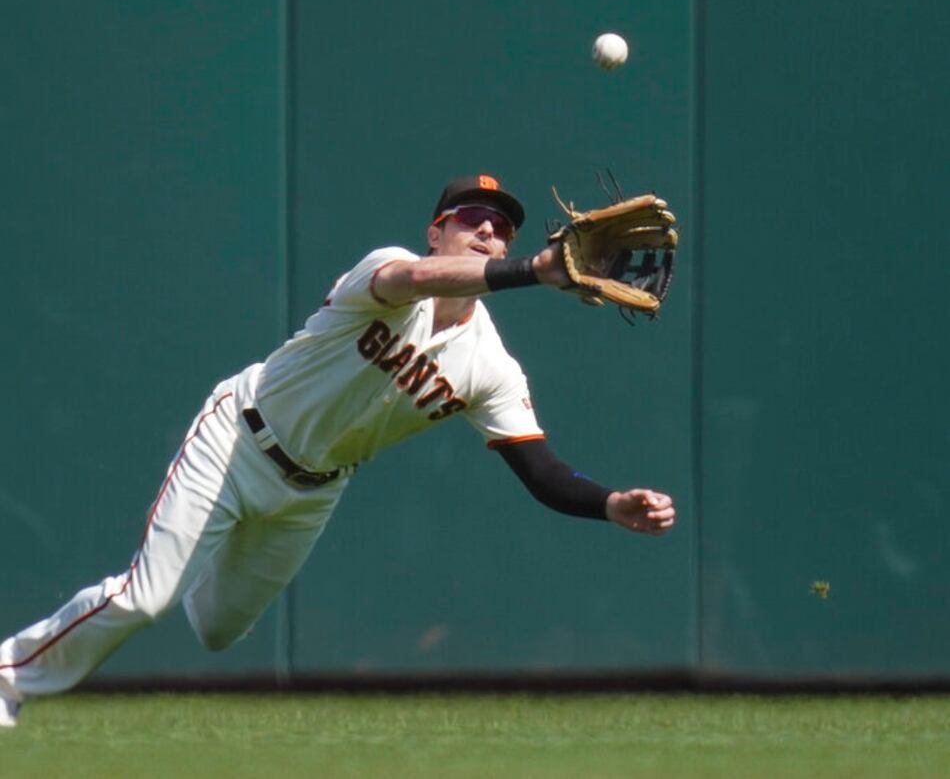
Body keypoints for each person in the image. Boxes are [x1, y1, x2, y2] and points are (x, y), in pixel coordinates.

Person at [0, 174, 675, 727]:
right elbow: (411, 285)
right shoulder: (388, 267)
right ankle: (10, 676)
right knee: (147, 599)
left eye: (502, 228)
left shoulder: (489, 367)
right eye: (471, 217)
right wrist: (531, 270)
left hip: (312, 491)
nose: (488, 231)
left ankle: (190, 552)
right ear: (435, 233)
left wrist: (611, 503)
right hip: (237, 439)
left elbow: (542, 471)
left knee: (215, 630)